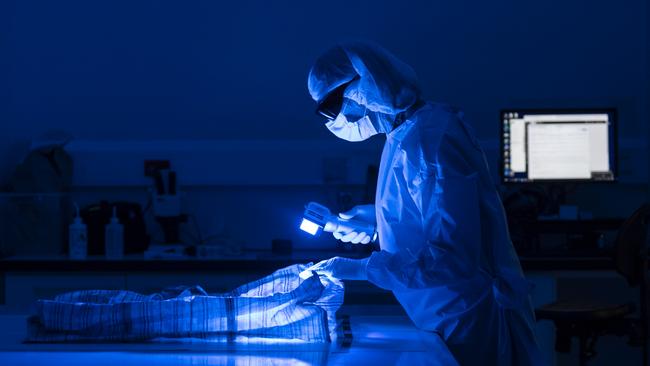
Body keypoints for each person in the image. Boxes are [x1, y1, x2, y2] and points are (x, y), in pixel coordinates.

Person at [305, 41, 545, 365]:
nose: (336, 119)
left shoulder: (431, 139)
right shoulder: (403, 134)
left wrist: (360, 268)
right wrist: (379, 224)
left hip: (468, 318)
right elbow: (429, 218)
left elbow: (453, 258)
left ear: (368, 82)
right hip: (441, 314)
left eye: (333, 106)